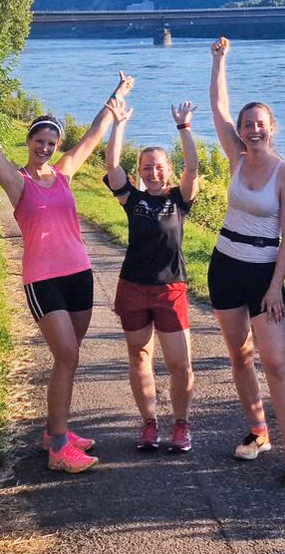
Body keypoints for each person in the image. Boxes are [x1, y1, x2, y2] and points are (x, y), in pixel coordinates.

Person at [0, 54, 134, 474]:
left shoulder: (64, 173)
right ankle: (59, 448)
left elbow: (92, 137)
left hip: (79, 274)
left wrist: (116, 96)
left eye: (51, 142)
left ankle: (54, 429)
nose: (45, 147)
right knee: (66, 355)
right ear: (29, 142)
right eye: (39, 141)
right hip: (42, 279)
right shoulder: (17, 181)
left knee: (71, 354)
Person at [206, 37, 285, 486]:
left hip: (263, 275)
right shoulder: (235, 156)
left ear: (273, 127)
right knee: (238, 355)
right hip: (224, 265)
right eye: (247, 124)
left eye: (260, 124)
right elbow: (219, 107)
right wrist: (219, 61)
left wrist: (274, 286)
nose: (252, 130)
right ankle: (258, 432)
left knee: (276, 363)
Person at [104, 100, 198, 454]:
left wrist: (184, 128)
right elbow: (112, 165)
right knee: (139, 356)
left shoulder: (180, 199)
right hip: (132, 287)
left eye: (158, 167)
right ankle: (149, 424)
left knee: (179, 363)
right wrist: (119, 124)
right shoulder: (133, 200)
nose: (153, 173)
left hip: (170, 289)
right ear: (140, 172)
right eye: (146, 168)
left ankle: (181, 425)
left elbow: (193, 166)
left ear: (168, 170)